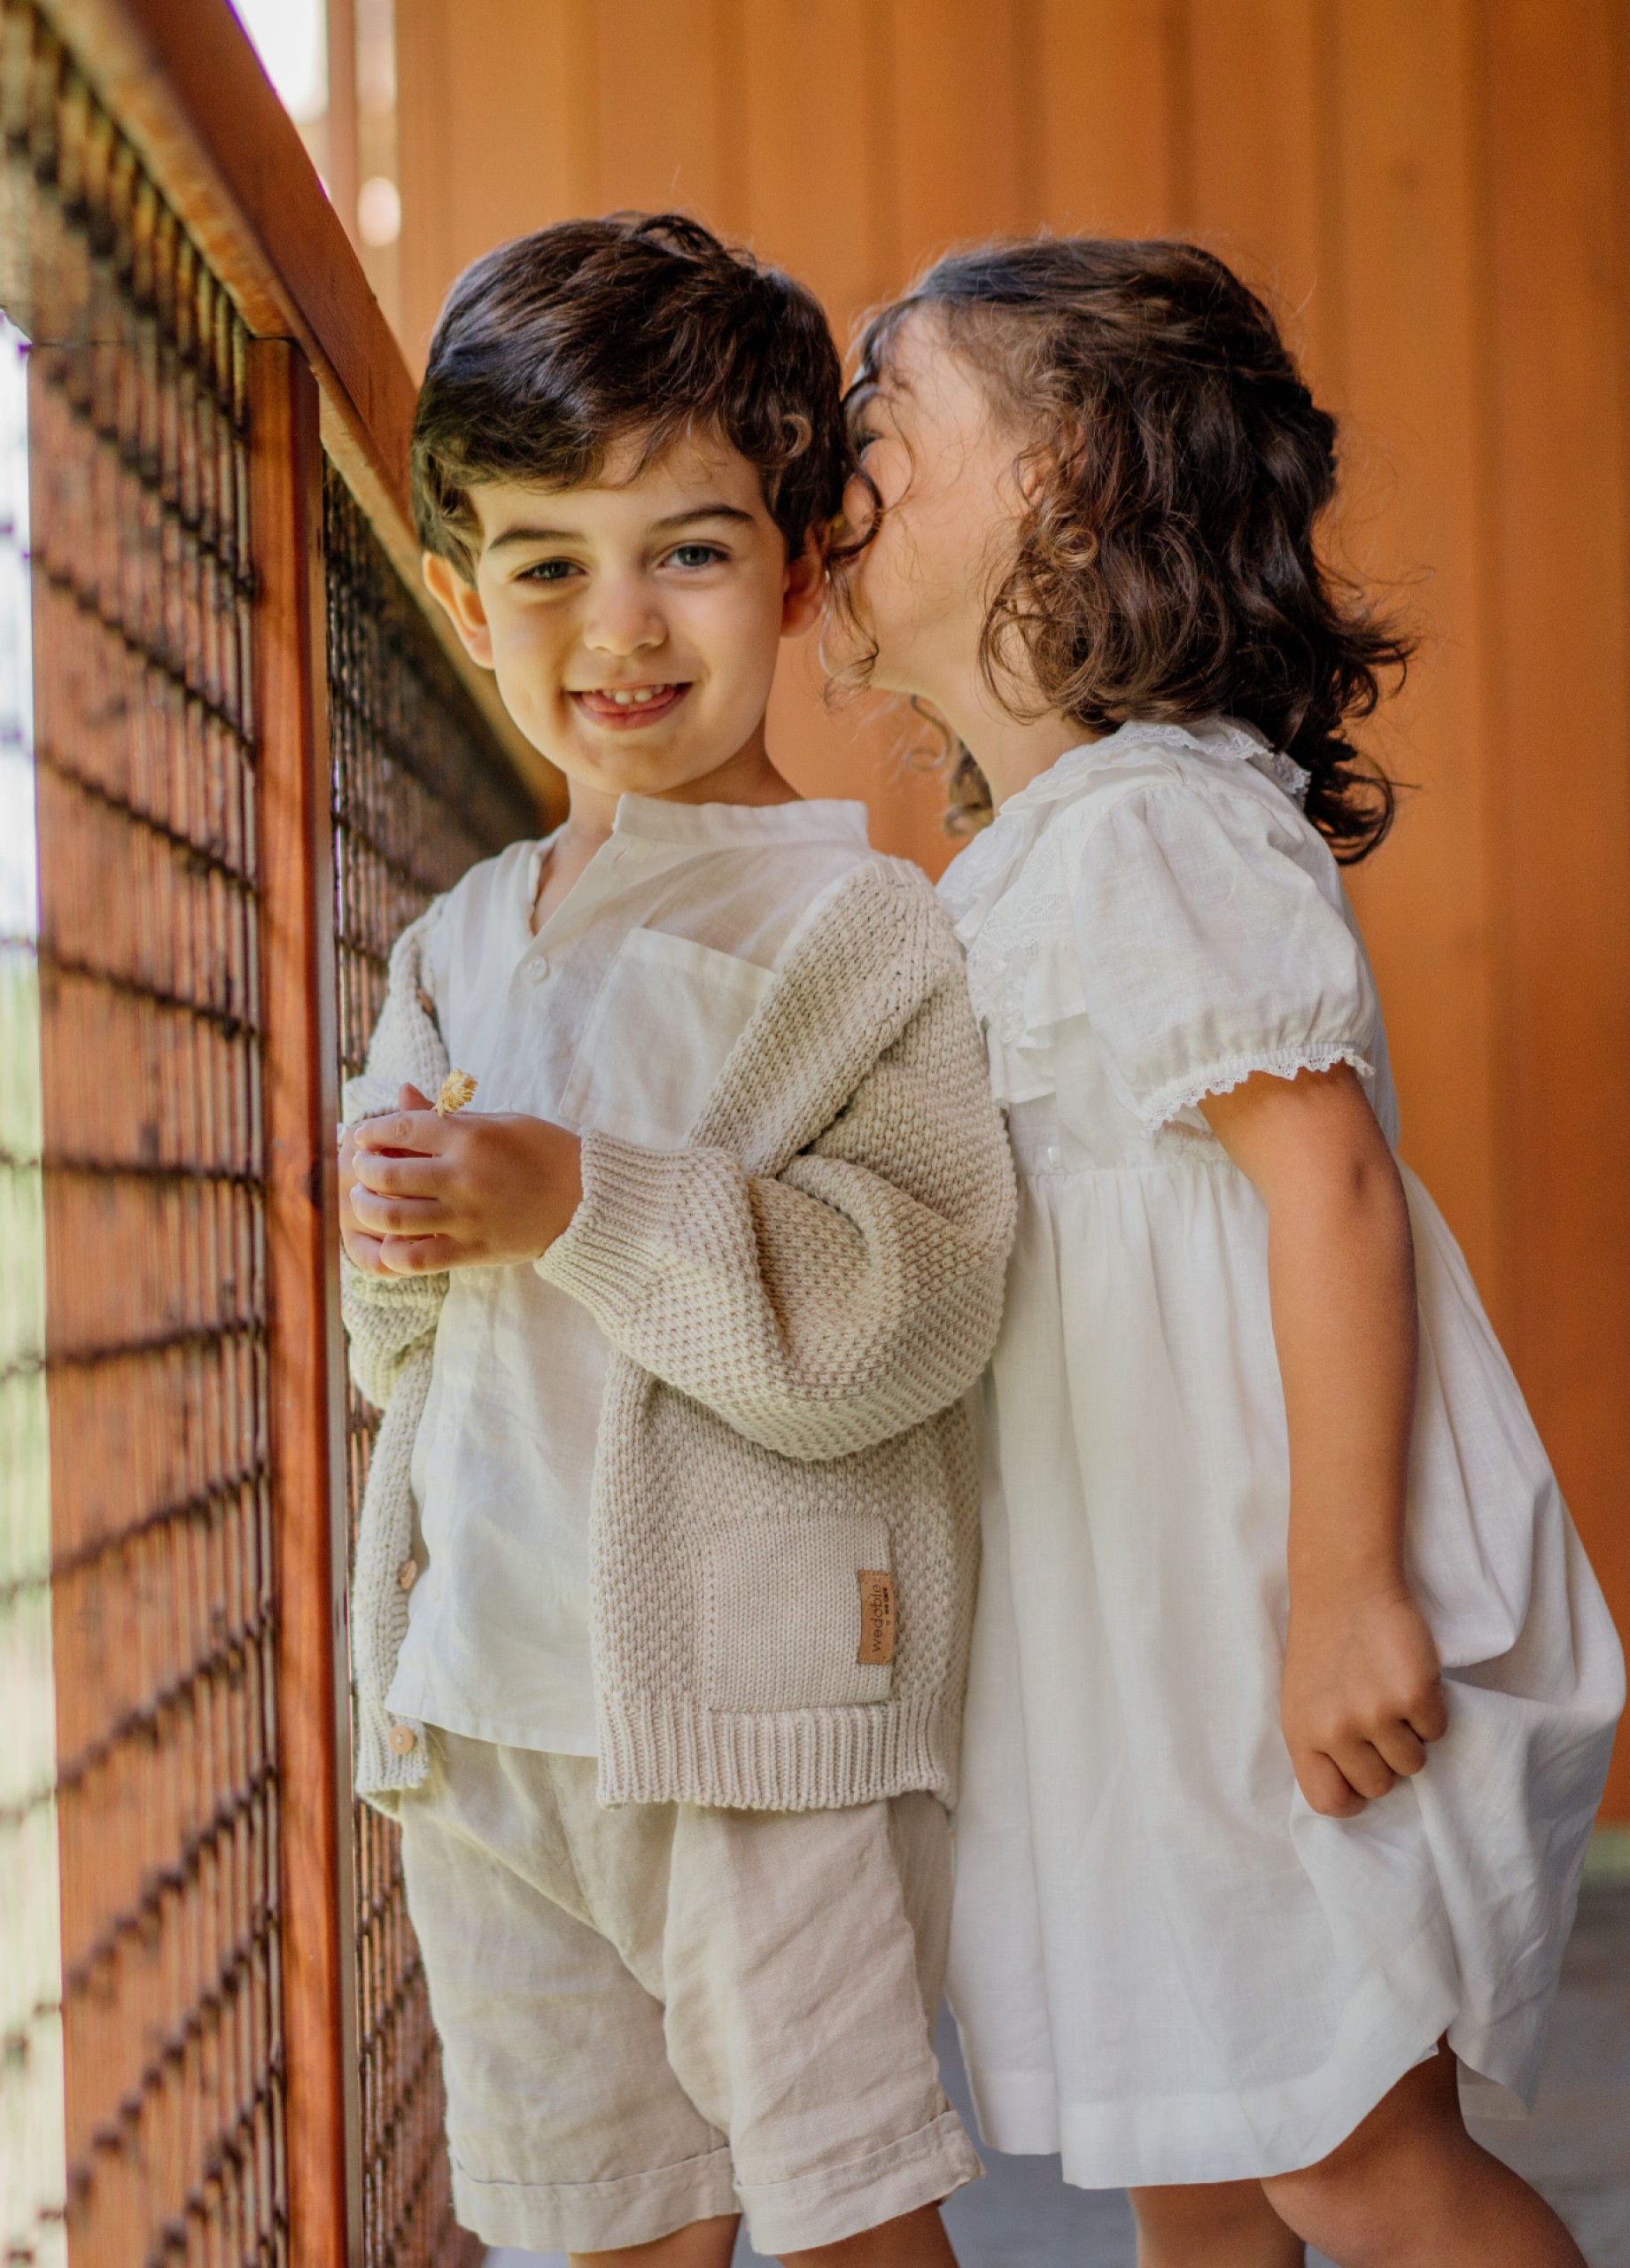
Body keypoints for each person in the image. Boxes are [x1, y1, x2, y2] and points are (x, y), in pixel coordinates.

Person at [824, 236, 1624, 2268]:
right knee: (1203, 2142)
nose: (838, 468)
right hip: (1139, 1632)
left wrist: (1347, 1591)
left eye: (885, 417)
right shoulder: (1029, 855)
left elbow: (1328, 1185)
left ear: (1061, 473)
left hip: (1254, 1595)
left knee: (1350, 2151)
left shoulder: (1150, 823)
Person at [337, 213, 1015, 2268]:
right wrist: (403, 1235)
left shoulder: (856, 928)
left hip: (762, 1728)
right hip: (491, 1717)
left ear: (799, 571)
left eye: (689, 552)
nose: (616, 624)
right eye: (546, 561)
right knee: (612, 2224)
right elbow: (407, 1357)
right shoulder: (457, 941)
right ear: (463, 596)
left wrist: (576, 1198)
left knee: (839, 2208)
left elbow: (909, 1303)